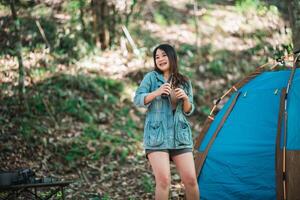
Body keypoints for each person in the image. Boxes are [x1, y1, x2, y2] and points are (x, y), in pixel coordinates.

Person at [133, 44, 199, 200]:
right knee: (164, 182)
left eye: (164, 55)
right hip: (157, 137)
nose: (160, 59)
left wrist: (185, 99)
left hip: (180, 136)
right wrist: (157, 92)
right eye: (157, 57)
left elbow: (189, 110)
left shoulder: (184, 81)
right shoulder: (151, 78)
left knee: (191, 180)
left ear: (172, 57)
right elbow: (137, 99)